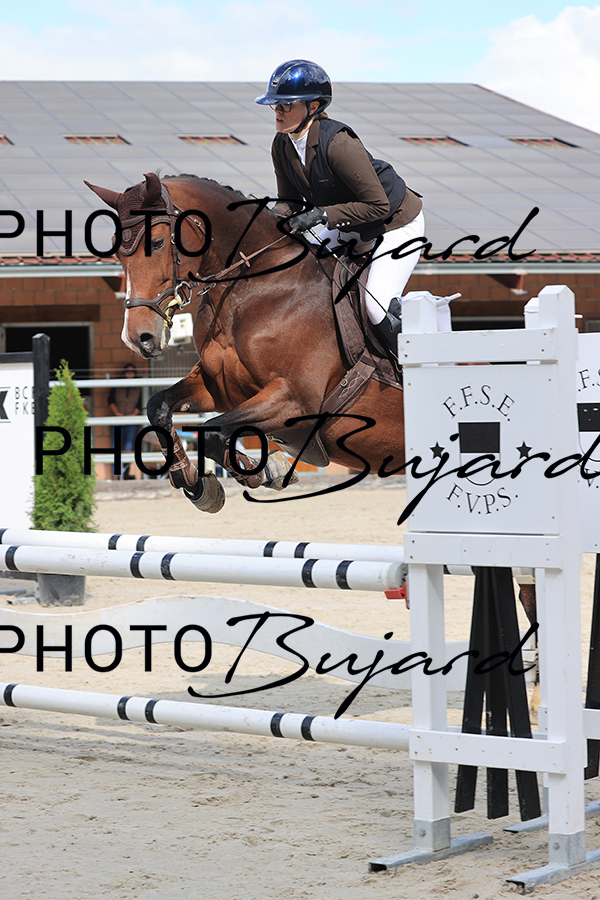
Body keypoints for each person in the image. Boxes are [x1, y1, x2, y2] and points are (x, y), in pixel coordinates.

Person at [255, 59, 425, 353]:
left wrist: (322, 214)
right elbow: (289, 203)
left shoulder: (338, 143)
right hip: (349, 220)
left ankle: (406, 366)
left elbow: (377, 206)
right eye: (275, 105)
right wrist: (262, 221)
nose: (278, 111)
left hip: (394, 223)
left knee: (375, 306)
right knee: (300, 271)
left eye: (286, 105)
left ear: (312, 106)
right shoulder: (281, 145)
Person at [108, 362, 142, 479]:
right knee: (115, 447)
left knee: (128, 446)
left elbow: (140, 404)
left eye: (132, 371)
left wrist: (131, 416)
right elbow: (110, 400)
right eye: (127, 371)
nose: (129, 373)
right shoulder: (117, 384)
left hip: (132, 421)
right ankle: (116, 475)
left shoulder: (138, 385)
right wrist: (118, 414)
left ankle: (125, 472)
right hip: (117, 419)